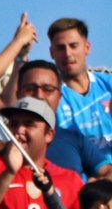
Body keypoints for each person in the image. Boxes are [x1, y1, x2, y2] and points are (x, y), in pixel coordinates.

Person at [46, 18, 112, 178]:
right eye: (60, 48)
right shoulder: (51, 99)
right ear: (51, 53)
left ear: (87, 47)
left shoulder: (108, 84)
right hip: (87, 189)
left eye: (73, 46)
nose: (67, 54)